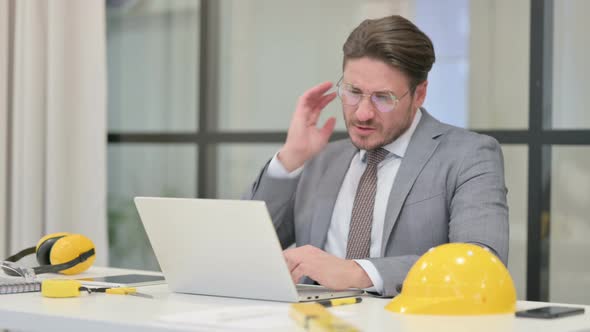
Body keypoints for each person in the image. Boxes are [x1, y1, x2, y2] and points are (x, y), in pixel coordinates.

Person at [242, 15, 508, 297]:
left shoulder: (468, 155)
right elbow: (245, 248)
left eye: (383, 97)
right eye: (353, 92)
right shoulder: (321, 158)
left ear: (419, 95)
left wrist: (359, 273)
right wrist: (291, 159)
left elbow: (481, 262)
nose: (362, 113)